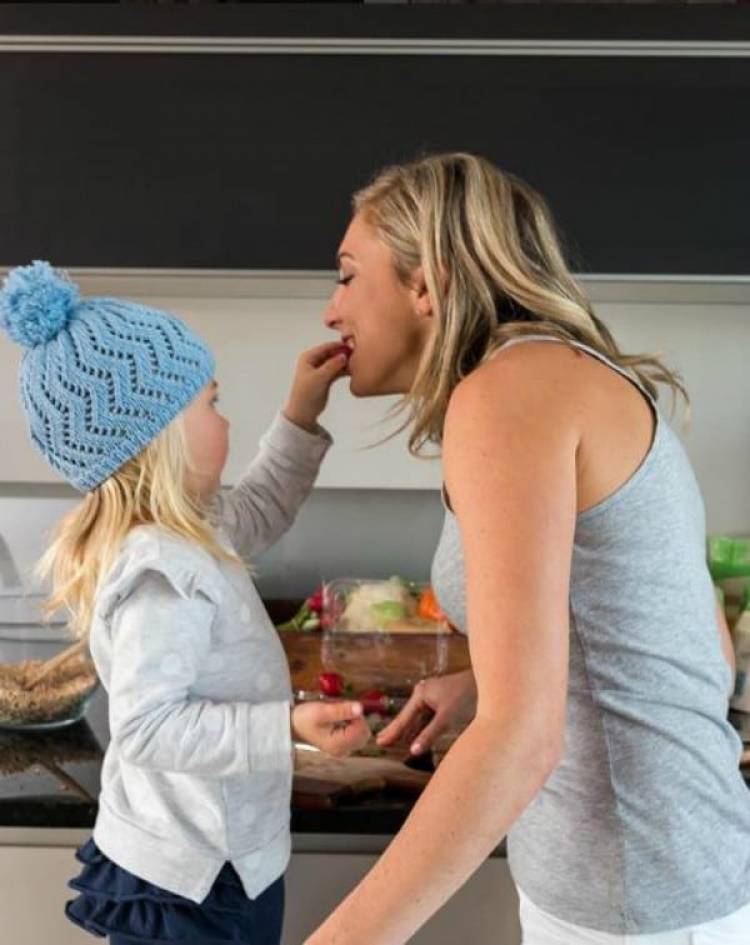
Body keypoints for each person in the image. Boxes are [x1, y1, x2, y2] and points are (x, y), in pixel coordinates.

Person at [305, 153, 750, 945]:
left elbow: (522, 739)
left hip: (633, 904)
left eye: (346, 275)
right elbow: (701, 647)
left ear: (425, 284)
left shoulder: (507, 397)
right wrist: (488, 681)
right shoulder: (566, 375)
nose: (331, 310)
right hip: (662, 884)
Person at [0, 261, 370, 945]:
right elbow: (147, 728)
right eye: (213, 402)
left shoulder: (189, 529)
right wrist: (285, 728)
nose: (223, 418)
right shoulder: (158, 568)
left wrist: (300, 413)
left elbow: (260, 508)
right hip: (189, 888)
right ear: (160, 437)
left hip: (225, 862)